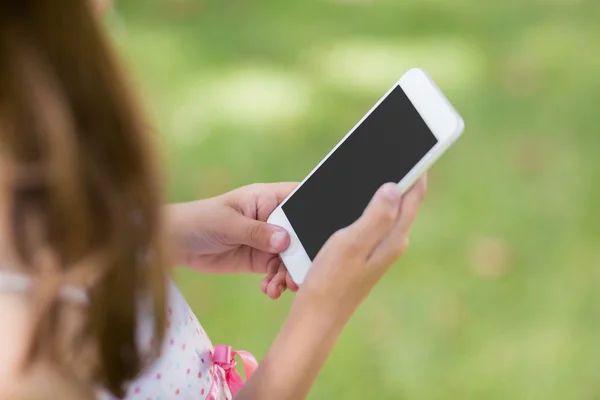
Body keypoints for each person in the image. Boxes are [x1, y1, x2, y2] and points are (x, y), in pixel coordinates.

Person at [0, 1, 427, 400]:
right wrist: (321, 313)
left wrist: (163, 235)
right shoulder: (24, 359)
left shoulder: (27, 182)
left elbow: (55, 246)